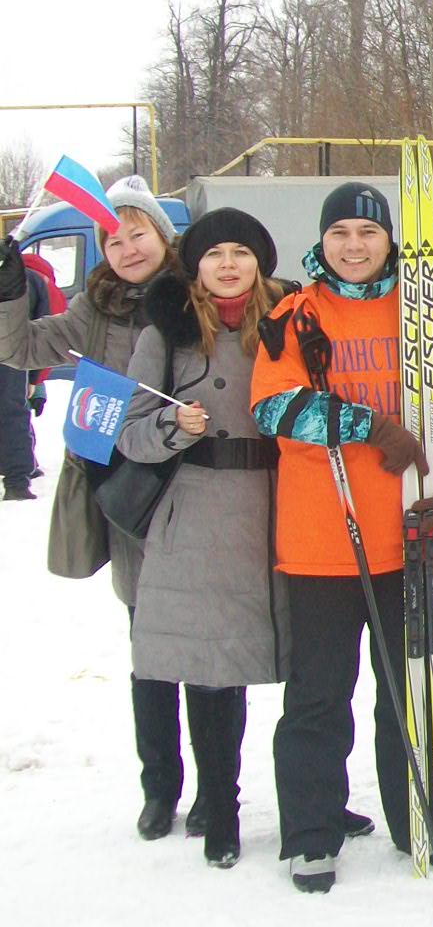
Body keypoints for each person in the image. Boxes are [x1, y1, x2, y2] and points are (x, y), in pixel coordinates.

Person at [251, 182, 433, 894]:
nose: (354, 246)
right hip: (322, 543)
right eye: (341, 234)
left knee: (410, 694)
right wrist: (370, 425)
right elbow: (276, 407)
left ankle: (416, 816)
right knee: (320, 693)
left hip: (409, 538)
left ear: (390, 240)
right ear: (322, 243)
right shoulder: (296, 316)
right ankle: (311, 831)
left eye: (367, 232)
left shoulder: (424, 312)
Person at [0, 177, 199, 841]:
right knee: (149, 647)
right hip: (133, 503)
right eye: (113, 238)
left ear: (162, 237)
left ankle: (216, 793)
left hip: (201, 494)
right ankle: (160, 788)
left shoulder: (198, 294)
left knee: (205, 646)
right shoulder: (96, 309)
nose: (126, 246)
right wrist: (6, 289)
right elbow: (21, 349)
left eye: (137, 232)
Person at [117, 209, 291, 869]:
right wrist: (173, 427)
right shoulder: (170, 330)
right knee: (208, 669)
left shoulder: (287, 320)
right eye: (213, 252)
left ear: (258, 261)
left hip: (269, 507)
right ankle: (219, 809)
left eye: (240, 252)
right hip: (193, 513)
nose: (226, 264)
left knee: (246, 663)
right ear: (195, 264)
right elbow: (129, 431)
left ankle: (297, 799)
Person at [1, 254, 50, 500]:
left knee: (12, 413)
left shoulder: (27, 279)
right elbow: (42, 326)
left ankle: (18, 479)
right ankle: (17, 481)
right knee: (13, 413)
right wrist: (34, 380)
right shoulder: (29, 279)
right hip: (13, 358)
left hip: (13, 355)